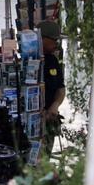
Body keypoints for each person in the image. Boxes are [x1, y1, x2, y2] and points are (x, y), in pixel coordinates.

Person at [40, 20, 66, 153]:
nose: (57, 44)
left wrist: (55, 105)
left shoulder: (53, 60)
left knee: (45, 158)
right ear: (43, 39)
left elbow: (61, 88)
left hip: (50, 119)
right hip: (32, 124)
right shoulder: (26, 60)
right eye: (55, 40)